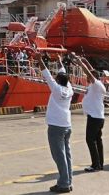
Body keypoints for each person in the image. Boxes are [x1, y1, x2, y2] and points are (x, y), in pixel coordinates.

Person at [39, 55, 74, 193]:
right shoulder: (69, 89)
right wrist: (60, 62)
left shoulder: (56, 89)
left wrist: (39, 59)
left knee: (59, 156)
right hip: (66, 125)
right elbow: (61, 74)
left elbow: (46, 74)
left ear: (58, 81)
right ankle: (68, 181)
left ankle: (64, 184)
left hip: (55, 127)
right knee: (66, 155)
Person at [75, 55, 106, 172]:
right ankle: (99, 163)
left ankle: (95, 164)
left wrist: (80, 64)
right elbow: (91, 71)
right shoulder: (95, 85)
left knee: (90, 140)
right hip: (96, 116)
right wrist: (85, 61)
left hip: (94, 117)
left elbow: (90, 73)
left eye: (88, 76)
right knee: (97, 140)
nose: (86, 77)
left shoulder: (96, 84)